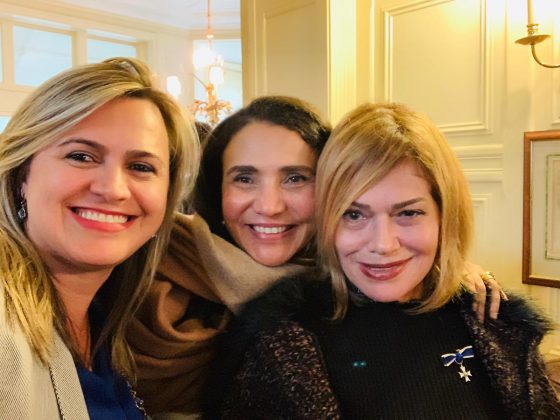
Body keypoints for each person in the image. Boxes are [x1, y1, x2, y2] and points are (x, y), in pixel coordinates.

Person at [129, 97, 504, 416]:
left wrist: (449, 270)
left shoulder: (354, 278)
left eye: (295, 178)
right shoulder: (147, 260)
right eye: (244, 178)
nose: (270, 206)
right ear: (217, 189)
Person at [203, 102, 560, 419]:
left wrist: (454, 273)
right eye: (354, 215)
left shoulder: (489, 317)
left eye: (408, 213)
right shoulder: (280, 342)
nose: (383, 244)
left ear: (444, 216)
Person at [0, 57, 199, 419]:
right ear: (21, 175)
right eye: (81, 156)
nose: (113, 189)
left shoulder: (107, 322)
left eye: (141, 167)